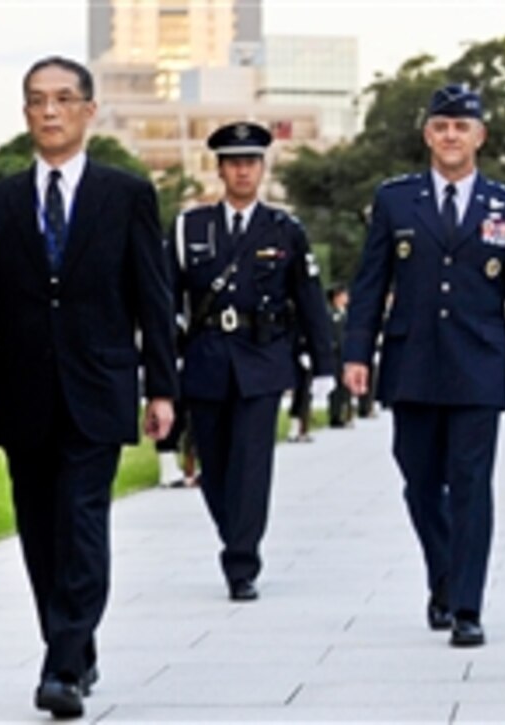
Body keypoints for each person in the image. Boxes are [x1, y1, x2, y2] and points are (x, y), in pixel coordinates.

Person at [0, 56, 176, 719]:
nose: (48, 111)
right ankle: (74, 642)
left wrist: (161, 387)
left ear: (88, 109)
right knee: (40, 531)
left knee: (82, 521)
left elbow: (152, 296)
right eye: (35, 101)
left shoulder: (126, 194)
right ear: (25, 113)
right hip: (24, 390)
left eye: (61, 99)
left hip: (99, 386)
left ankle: (61, 667)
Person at [343, 84, 505, 648]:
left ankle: (466, 605)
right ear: (428, 135)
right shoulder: (395, 201)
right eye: (441, 126)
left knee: (471, 484)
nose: (452, 135)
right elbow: (370, 282)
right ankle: (444, 573)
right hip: (411, 361)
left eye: (462, 126)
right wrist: (356, 353)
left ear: (480, 136)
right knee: (418, 480)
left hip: (478, 364)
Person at [170, 121, 334, 602]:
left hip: (262, 357)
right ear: (220, 169)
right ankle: (234, 535)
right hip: (205, 358)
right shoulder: (189, 228)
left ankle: (242, 562)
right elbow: (165, 300)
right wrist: (157, 366)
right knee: (215, 467)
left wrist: (324, 365)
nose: (243, 171)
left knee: (252, 465)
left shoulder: (285, 229)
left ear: (262, 168)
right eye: (234, 162)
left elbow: (309, 299)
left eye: (251, 162)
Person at [325, 284, 353, 428]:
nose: (346, 298)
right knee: (335, 387)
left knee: (345, 387)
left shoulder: (346, 313)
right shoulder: (329, 313)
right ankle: (334, 415)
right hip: (334, 354)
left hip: (345, 353)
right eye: (343, 295)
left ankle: (345, 413)